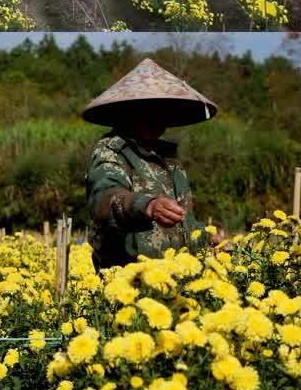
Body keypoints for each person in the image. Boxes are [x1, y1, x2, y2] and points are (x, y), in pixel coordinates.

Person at [83, 58, 224, 271]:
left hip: (173, 279)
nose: (156, 119)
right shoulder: (112, 149)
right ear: (128, 110)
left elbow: (182, 222)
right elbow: (106, 198)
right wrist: (148, 206)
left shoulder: (169, 160)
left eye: (163, 111)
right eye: (147, 110)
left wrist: (205, 238)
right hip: (127, 280)